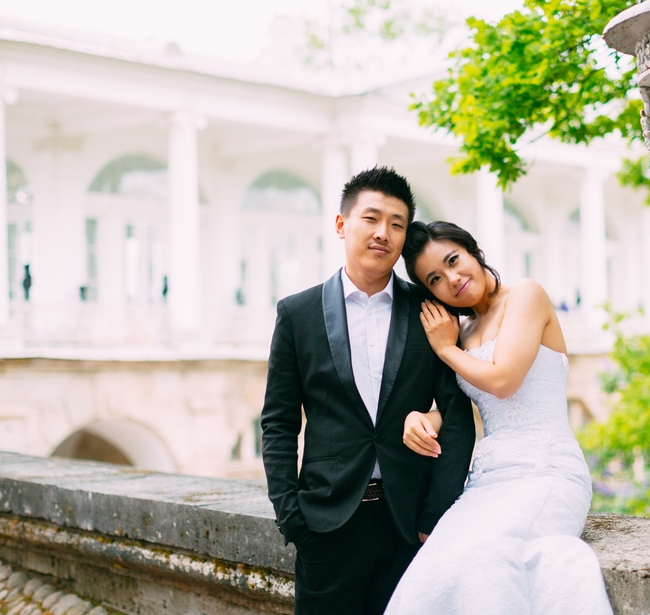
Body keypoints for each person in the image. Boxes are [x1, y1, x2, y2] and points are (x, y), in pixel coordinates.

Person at [261, 168, 476, 615]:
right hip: (326, 527)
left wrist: (433, 516)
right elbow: (278, 423)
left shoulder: (431, 311)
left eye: (397, 224)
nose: (384, 233)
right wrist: (292, 517)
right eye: (371, 219)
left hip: (408, 526)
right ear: (342, 225)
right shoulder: (297, 314)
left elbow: (456, 414)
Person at [385, 220, 613, 614]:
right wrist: (423, 418)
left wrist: (444, 349)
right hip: (488, 480)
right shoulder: (462, 329)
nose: (452, 279)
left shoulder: (525, 294)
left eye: (454, 260)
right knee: (430, 571)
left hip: (547, 470)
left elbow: (504, 380)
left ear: (473, 250)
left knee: (488, 560)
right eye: (435, 279)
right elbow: (463, 403)